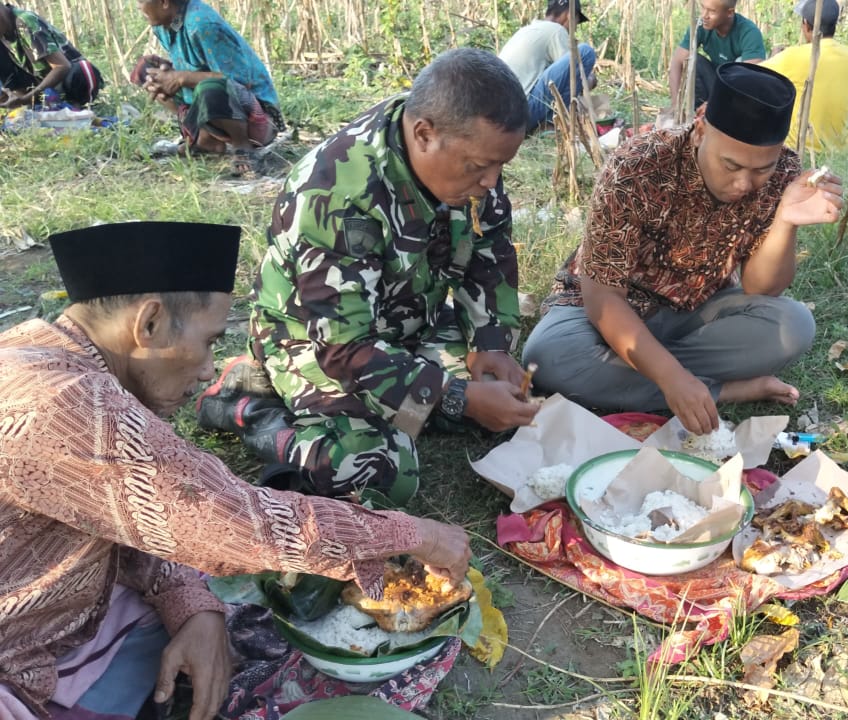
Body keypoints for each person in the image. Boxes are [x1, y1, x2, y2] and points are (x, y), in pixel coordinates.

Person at [0, 221, 471, 720]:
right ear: (150, 324)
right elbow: (228, 518)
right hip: (17, 651)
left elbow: (134, 507)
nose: (208, 369)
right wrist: (407, 534)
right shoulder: (65, 403)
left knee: (216, 608)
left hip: (61, 608)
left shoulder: (38, 349)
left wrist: (191, 604)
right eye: (208, 342)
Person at [197, 48, 538, 505]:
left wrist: (489, 345)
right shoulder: (337, 193)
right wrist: (458, 397)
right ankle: (249, 405)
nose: (492, 183)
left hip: (407, 322)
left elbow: (490, 254)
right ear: (423, 135)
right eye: (479, 167)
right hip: (313, 339)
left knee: (497, 399)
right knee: (375, 468)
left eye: (502, 167)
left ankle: (427, 399)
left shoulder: (466, 154)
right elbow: (344, 348)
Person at [524, 62, 844, 435]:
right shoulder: (638, 166)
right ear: (701, 128)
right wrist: (672, 377)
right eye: (731, 165)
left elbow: (761, 289)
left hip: (692, 313)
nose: (745, 183)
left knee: (794, 326)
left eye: (762, 170)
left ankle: (632, 372)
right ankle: (722, 390)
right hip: (599, 312)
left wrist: (785, 221)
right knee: (548, 357)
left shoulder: (785, 173)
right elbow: (604, 300)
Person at [132, 0, 283, 173]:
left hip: (255, 114)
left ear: (165, 3)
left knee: (210, 88)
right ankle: (205, 140)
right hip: (211, 103)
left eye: (141, 1)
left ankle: (243, 146)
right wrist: (168, 71)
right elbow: (198, 64)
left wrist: (180, 77)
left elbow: (238, 80)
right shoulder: (163, 24)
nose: (138, 6)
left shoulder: (202, 24)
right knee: (146, 71)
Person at [761, 0, 848, 153]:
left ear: (806, 26)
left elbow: (753, 75)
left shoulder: (791, 56)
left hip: (799, 148)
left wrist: (774, 57)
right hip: (841, 149)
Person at [499, 0, 597, 132]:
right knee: (585, 52)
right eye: (576, 22)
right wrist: (591, 79)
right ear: (569, 15)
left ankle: (550, 122)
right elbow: (575, 77)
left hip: (503, 121)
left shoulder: (527, 30)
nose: (574, 28)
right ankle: (551, 123)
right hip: (523, 115)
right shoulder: (556, 30)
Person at [667, 0, 767, 111]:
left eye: (711, 11)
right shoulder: (699, 26)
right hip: (716, 83)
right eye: (703, 8)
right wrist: (675, 106)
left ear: (729, 13)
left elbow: (751, 79)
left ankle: (719, 112)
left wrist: (714, 102)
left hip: (739, 95)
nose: (704, 15)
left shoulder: (749, 32)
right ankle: (699, 112)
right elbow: (677, 61)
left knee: (741, 67)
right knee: (692, 60)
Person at [0, 3, 101, 108]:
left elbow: (62, 66)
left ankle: (79, 107)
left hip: (70, 82)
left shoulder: (24, 21)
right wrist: (16, 98)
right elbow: (14, 84)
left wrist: (28, 98)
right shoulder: (2, 38)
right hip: (41, 90)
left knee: (82, 70)